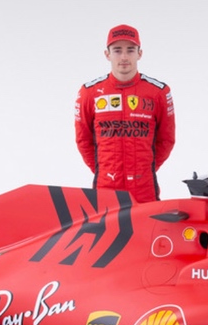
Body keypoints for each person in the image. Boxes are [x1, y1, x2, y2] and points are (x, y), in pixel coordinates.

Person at [75, 24, 176, 203]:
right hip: (105, 189)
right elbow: (83, 140)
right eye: (117, 50)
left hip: (144, 190)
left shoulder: (158, 92)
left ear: (139, 54)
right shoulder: (89, 93)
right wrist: (105, 170)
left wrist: (145, 168)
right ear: (107, 54)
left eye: (130, 50)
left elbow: (166, 140)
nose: (124, 57)